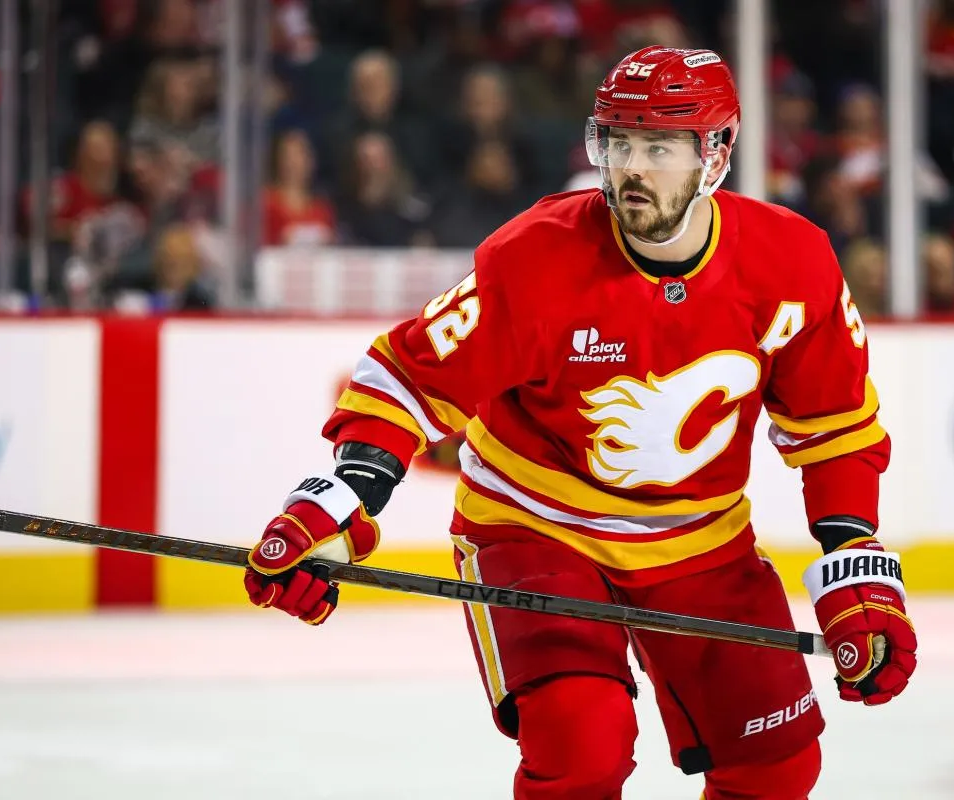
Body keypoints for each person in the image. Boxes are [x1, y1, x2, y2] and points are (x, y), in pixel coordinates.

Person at [242, 46, 918, 799]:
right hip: (536, 527)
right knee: (582, 752)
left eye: (658, 146)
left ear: (716, 154)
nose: (631, 168)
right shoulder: (537, 258)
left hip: (700, 541)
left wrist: (852, 553)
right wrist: (343, 499)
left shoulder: (792, 264)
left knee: (778, 768)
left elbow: (835, 427)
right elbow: (407, 377)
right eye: (618, 142)